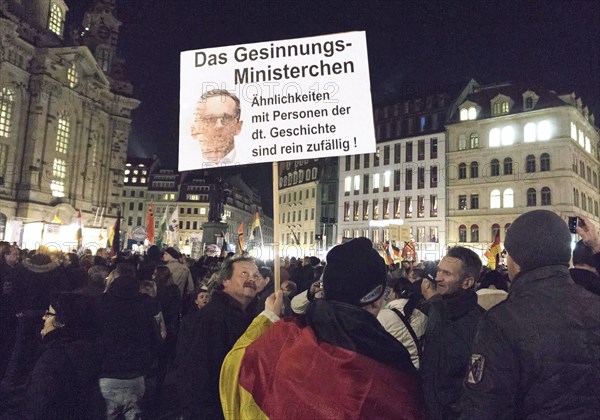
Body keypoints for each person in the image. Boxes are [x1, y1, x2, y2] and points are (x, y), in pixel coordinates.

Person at [220, 238, 423, 419]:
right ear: (376, 299)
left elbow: (236, 364)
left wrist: (268, 318)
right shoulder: (395, 377)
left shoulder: (283, 339)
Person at [462, 210, 600, 418]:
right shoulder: (594, 305)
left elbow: (484, 408)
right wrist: (596, 246)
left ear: (516, 260)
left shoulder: (501, 321)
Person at [176, 256, 260, 419]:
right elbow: (195, 375)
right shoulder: (210, 319)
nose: (251, 279)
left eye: (255, 275)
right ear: (225, 281)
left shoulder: (249, 316)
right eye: (244, 274)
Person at [419, 246, 484, 420]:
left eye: (447, 274)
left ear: (467, 283)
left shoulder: (481, 324)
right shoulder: (434, 310)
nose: (438, 277)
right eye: (439, 270)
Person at [23, 292, 104, 419]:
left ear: (62, 322)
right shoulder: (92, 350)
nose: (44, 317)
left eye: (49, 314)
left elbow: (40, 402)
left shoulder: (53, 357)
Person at [97, 267, 162, 419]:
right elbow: (156, 341)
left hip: (107, 373)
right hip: (136, 375)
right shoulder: (144, 308)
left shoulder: (102, 306)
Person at [378, 276, 428, 370]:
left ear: (394, 292)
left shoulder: (383, 316)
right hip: (418, 369)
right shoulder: (421, 315)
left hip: (398, 370)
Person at [189, 89, 243, 167]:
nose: (219, 125)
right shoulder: (188, 165)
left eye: (226, 118)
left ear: (238, 127)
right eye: (210, 119)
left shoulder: (251, 162)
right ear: (197, 126)